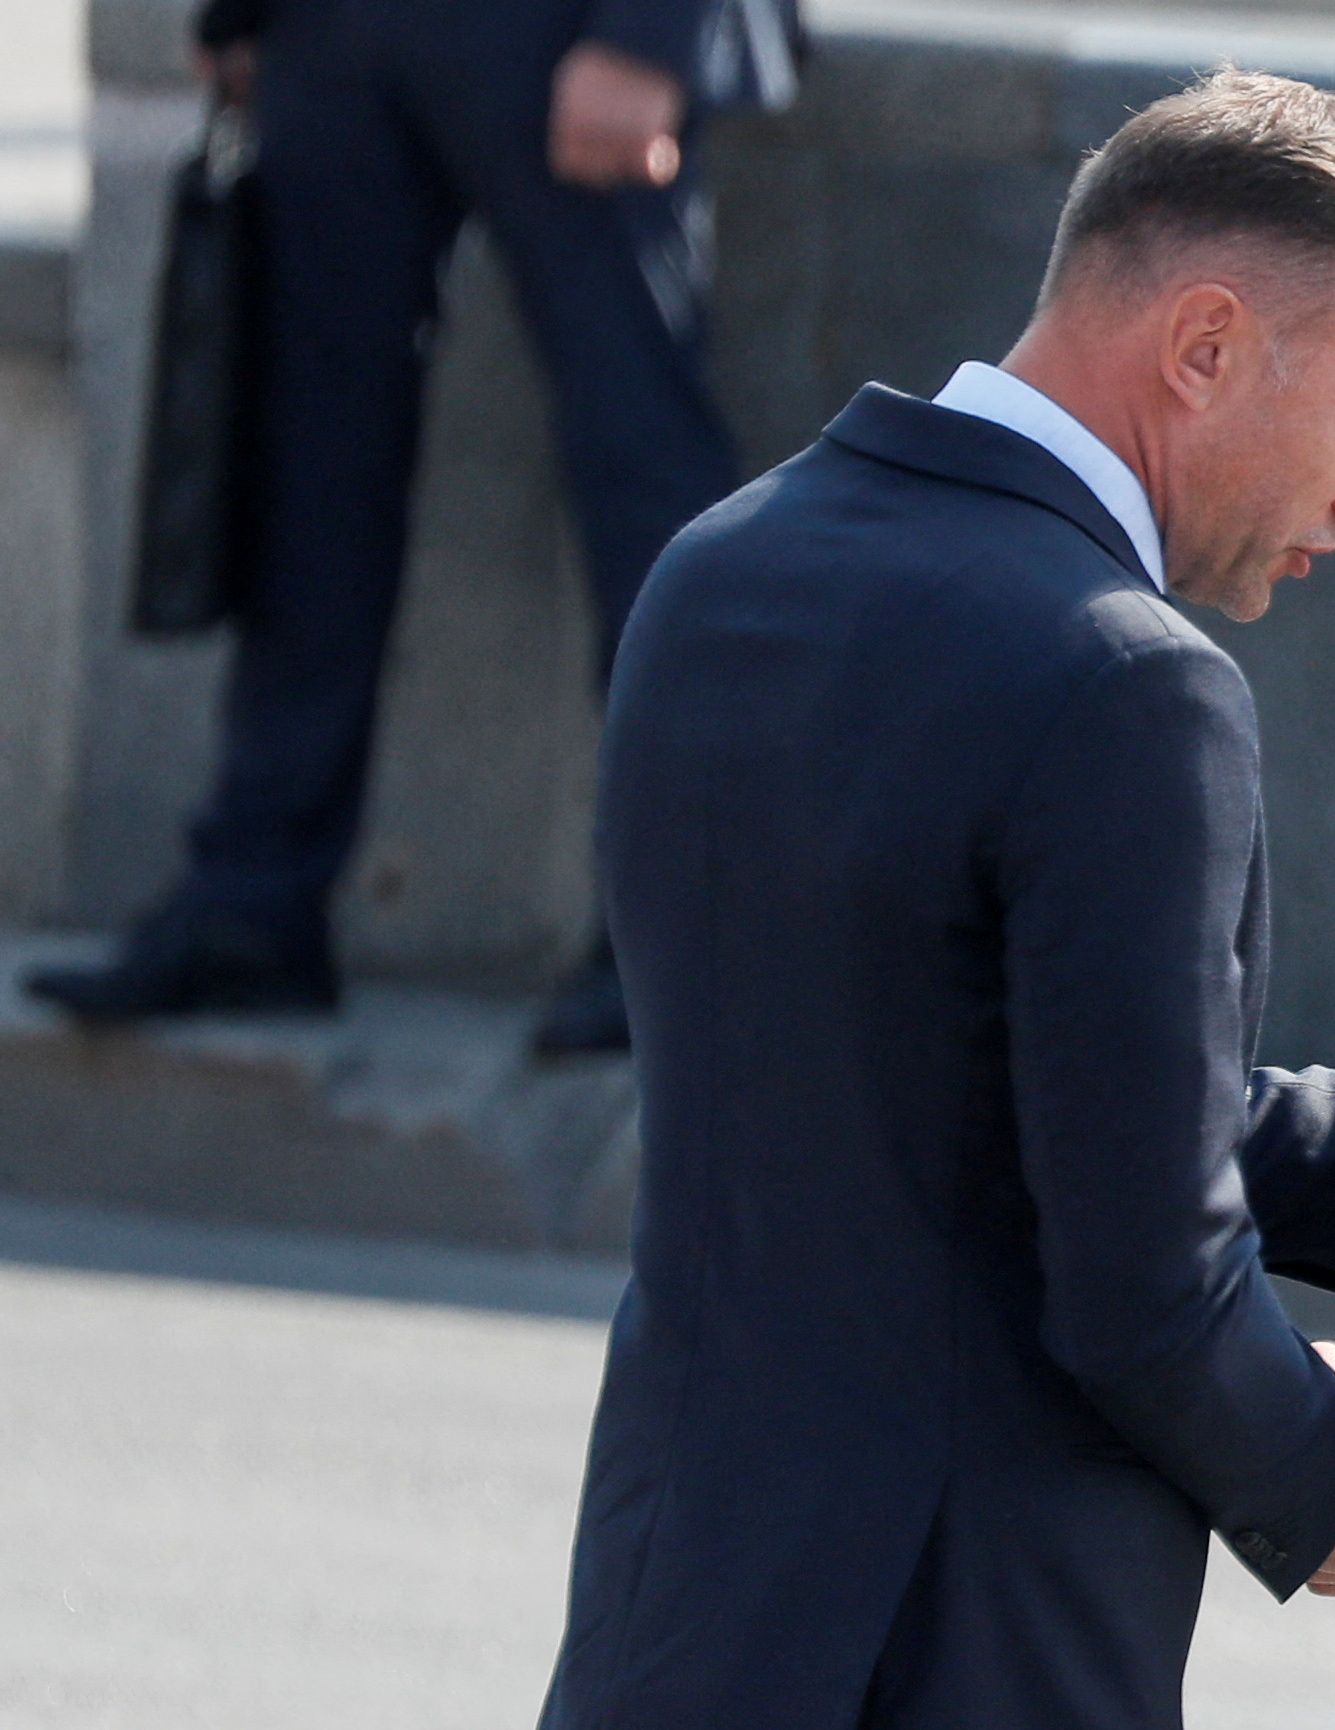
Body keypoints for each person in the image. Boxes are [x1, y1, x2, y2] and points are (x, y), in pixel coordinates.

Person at [523, 71, 1335, 1730]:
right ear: (1205, 345)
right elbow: (1138, 1268)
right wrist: (1333, 1480)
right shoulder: (1129, 676)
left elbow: (944, 1087)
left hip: (674, 1704)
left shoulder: (721, 565)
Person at [23, 0, 799, 1053]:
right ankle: (251, 903)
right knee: (305, 466)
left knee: (641, 463)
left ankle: (675, 930)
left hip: (569, 30)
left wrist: (648, 35)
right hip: (330, 30)